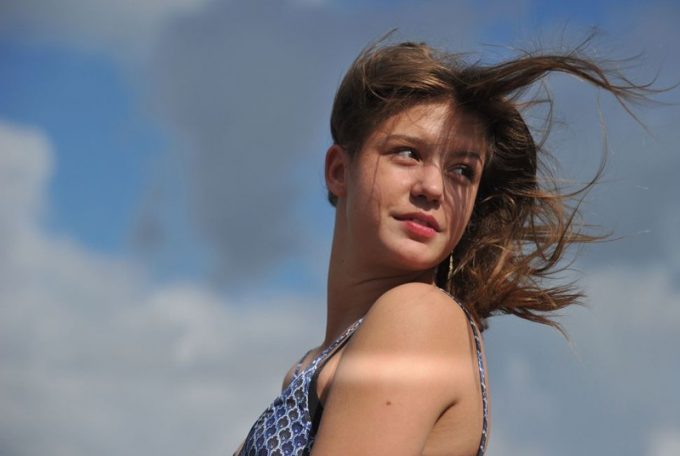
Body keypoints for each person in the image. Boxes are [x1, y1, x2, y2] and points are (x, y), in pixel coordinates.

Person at [234, 37, 653, 456]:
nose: (433, 187)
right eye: (408, 153)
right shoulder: (311, 367)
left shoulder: (418, 316)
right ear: (339, 171)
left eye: (461, 171)